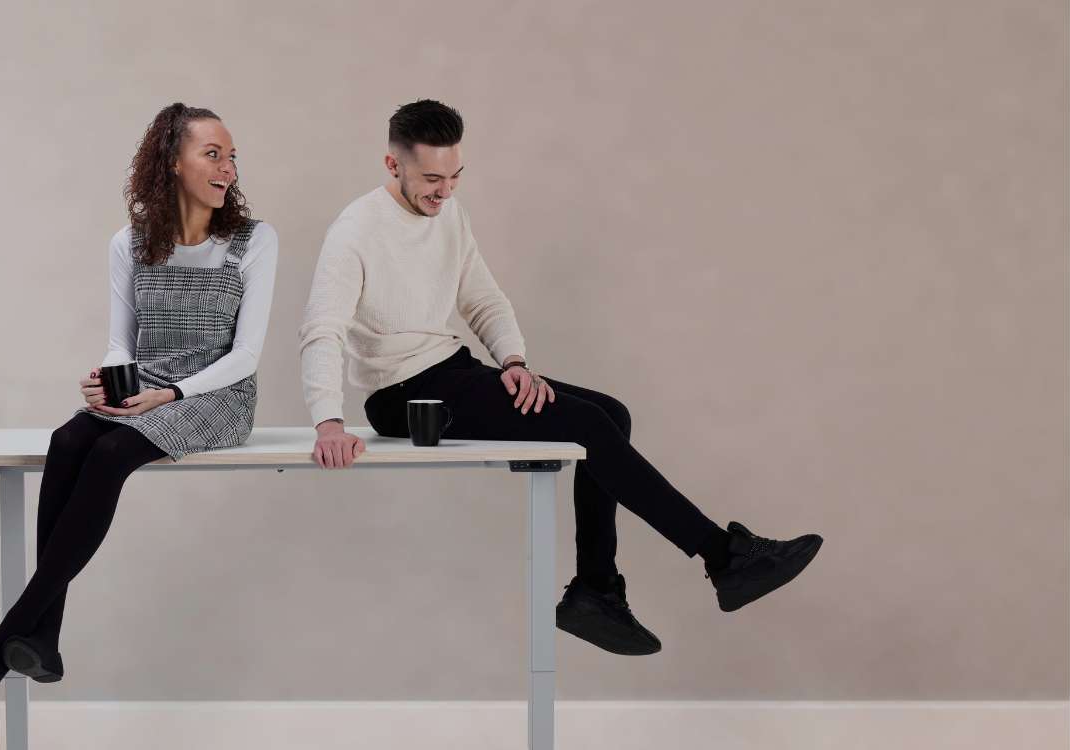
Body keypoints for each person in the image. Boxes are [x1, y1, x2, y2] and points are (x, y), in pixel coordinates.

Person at [297, 99, 822, 656]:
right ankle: (723, 557)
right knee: (590, 425)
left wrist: (515, 363)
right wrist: (329, 421)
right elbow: (321, 329)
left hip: (450, 371)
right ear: (391, 164)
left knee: (611, 415)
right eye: (431, 178)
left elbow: (482, 298)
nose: (444, 191)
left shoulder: (449, 213)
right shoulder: (356, 229)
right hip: (403, 394)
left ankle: (596, 590)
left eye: (455, 177)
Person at [0, 103, 279, 691]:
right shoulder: (128, 243)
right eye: (213, 154)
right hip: (147, 384)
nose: (228, 167)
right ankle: (42, 640)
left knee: (108, 456)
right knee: (69, 438)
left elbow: (246, 355)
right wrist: (108, 378)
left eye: (232, 156)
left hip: (217, 394)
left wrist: (171, 392)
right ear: (172, 162)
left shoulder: (254, 241)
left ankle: (18, 626)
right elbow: (119, 341)